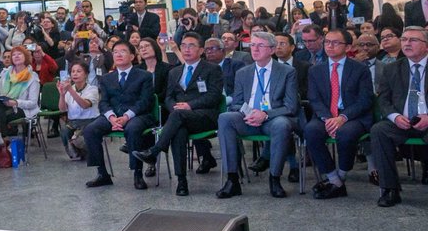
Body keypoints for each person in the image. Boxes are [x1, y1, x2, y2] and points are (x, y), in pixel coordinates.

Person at [132, 33, 224, 196]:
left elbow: (214, 96)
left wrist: (190, 105)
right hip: (180, 117)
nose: (186, 49)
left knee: (178, 118)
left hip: (205, 116)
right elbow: (168, 97)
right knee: (178, 131)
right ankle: (181, 181)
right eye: (183, 46)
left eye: (191, 46)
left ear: (201, 50)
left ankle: (155, 150)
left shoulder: (212, 69)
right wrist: (174, 108)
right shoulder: (175, 72)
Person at [214, 31, 299, 199]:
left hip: (273, 119)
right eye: (252, 45)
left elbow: (291, 106)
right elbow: (236, 103)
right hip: (248, 117)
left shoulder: (287, 72)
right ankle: (232, 180)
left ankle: (274, 178)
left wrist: (265, 114)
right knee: (225, 118)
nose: (255, 49)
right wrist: (248, 112)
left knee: (282, 125)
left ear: (272, 49)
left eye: (260, 45)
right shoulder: (243, 72)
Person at [303, 29, 373, 200]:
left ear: (348, 46)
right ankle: (335, 180)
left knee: (346, 133)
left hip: (352, 115)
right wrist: (328, 118)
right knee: (311, 131)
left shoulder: (360, 69)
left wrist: (342, 118)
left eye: (336, 43)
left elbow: (365, 100)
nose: (330, 46)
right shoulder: (315, 70)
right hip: (325, 115)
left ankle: (340, 176)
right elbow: (314, 98)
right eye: (327, 42)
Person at [81, 42, 158, 190]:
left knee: (133, 128)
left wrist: (127, 117)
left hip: (138, 115)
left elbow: (145, 101)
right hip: (113, 116)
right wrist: (111, 118)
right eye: (115, 52)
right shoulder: (106, 78)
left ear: (132, 56)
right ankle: (102, 174)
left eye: (123, 51)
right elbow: (103, 103)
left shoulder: (145, 76)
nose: (118, 54)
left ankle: (137, 174)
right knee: (91, 129)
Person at [369, 26, 428, 207]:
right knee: (379, 130)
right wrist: (394, 117)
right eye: (404, 40)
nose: (407, 43)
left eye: (413, 40)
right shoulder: (392, 69)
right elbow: (383, 100)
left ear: (426, 45)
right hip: (401, 121)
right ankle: (390, 189)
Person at [0, 46, 40, 166]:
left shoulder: (32, 77)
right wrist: (1, 99)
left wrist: (16, 102)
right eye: (14, 55)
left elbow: (33, 102)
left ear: (26, 57)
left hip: (21, 108)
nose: (16, 56)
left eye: (20, 54)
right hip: (3, 105)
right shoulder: (5, 74)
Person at [58, 61, 99, 161]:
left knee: (79, 140)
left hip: (90, 121)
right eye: (73, 71)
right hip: (73, 122)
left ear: (86, 74)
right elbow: (62, 109)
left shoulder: (92, 89)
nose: (75, 74)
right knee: (64, 130)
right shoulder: (69, 89)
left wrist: (70, 91)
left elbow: (85, 105)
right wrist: (62, 95)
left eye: (79, 71)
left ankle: (89, 150)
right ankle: (76, 153)